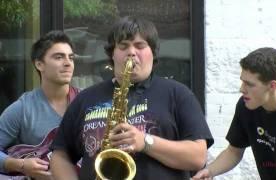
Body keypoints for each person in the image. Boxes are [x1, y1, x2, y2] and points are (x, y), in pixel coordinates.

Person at [49, 16, 214, 180]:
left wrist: (145, 142)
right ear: (112, 54)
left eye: (140, 46)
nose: (131, 52)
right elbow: (60, 155)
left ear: (153, 52)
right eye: (123, 46)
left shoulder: (178, 94)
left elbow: (198, 157)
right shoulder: (85, 98)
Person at [192, 47, 276, 180]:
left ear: (272, 86)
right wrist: (209, 171)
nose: (242, 89)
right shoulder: (246, 106)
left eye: (249, 84)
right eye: (242, 81)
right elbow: (234, 151)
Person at [0, 30, 78, 179]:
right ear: (39, 64)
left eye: (71, 58)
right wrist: (21, 165)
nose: (68, 63)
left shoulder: (87, 102)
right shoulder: (23, 108)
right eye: (59, 57)